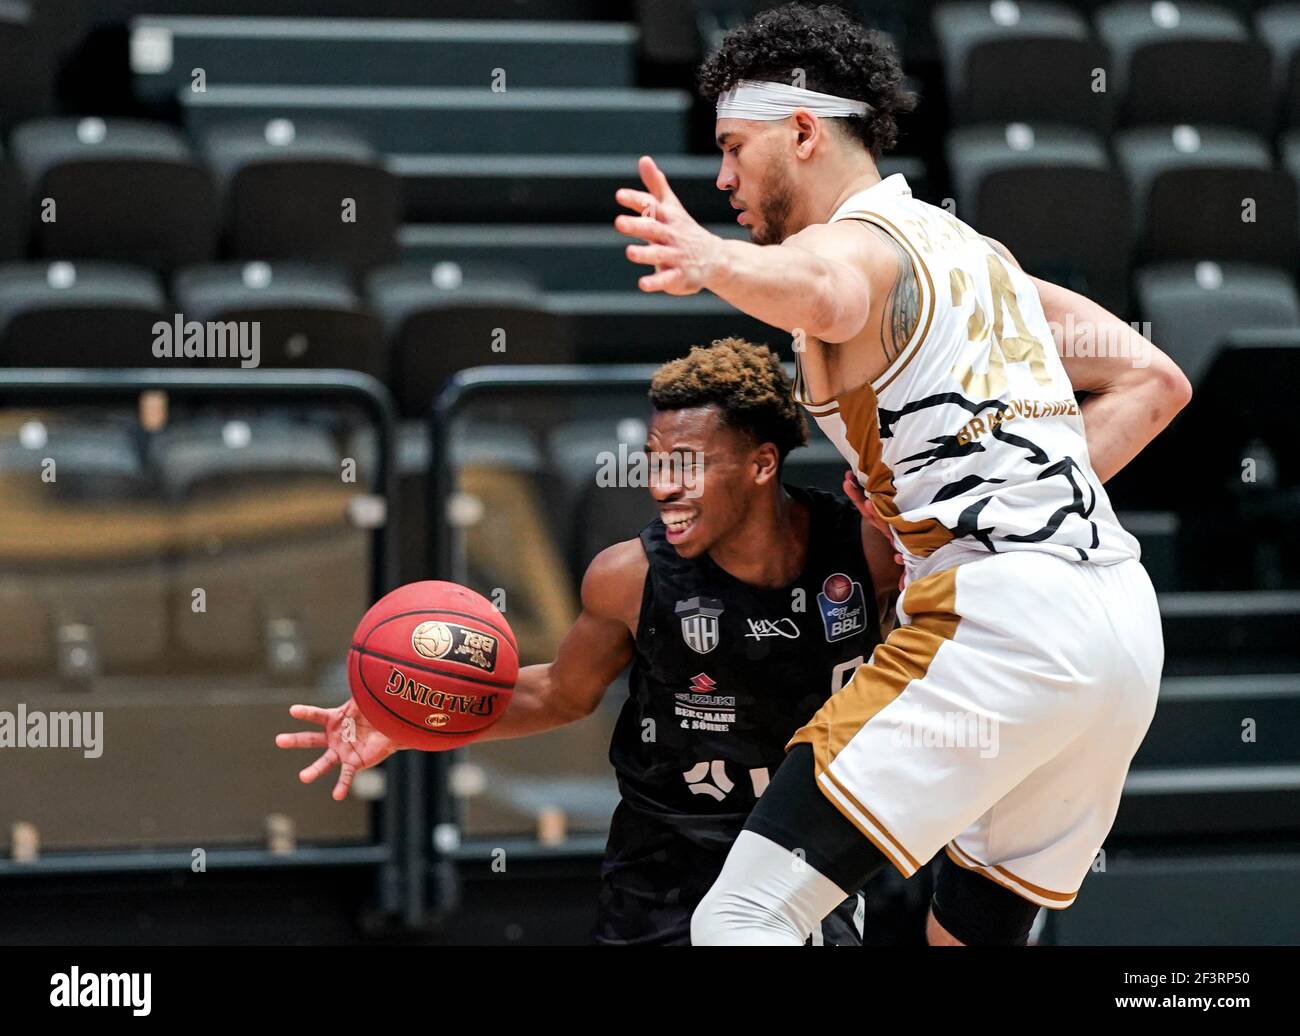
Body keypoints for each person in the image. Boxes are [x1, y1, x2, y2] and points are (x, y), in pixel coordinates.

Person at [612, 3, 1193, 945]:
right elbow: (1152, 380)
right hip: (1120, 629)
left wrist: (715, 263)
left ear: (801, 131)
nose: (719, 177)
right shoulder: (982, 258)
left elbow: (830, 289)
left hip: (999, 622)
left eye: (731, 146)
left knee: (744, 917)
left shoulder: (852, 247)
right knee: (968, 930)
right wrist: (978, 476)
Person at [277, 338, 918, 945]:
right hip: (666, 869)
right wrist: (422, 717)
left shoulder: (872, 554)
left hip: (805, 856)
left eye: (687, 463)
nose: (663, 484)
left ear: (761, 464)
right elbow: (560, 692)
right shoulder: (629, 576)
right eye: (655, 460)